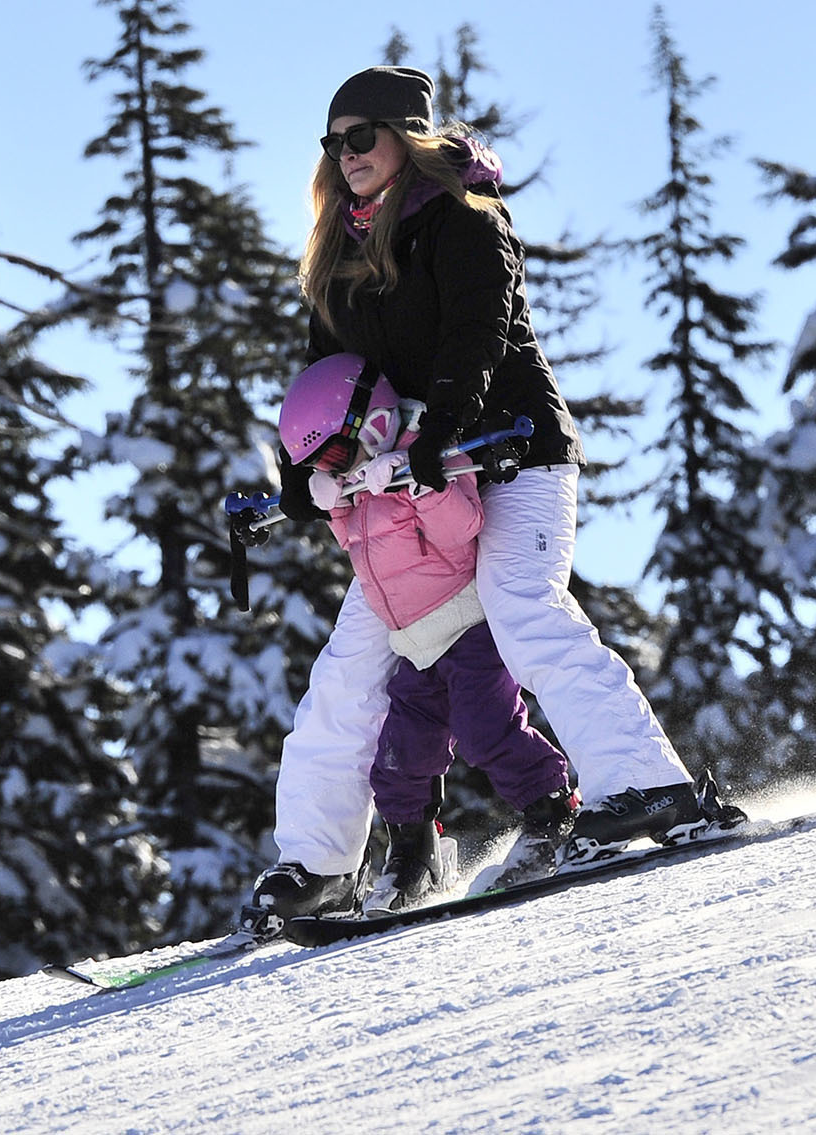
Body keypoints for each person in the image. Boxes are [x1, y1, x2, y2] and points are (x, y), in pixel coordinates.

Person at [247, 65, 711, 924]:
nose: (346, 154)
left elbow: (480, 333)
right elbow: (326, 380)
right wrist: (304, 476)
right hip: (414, 494)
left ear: (406, 137)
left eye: (362, 136)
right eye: (333, 141)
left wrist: (440, 430)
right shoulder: (340, 255)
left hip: (512, 454)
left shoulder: (465, 219)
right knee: (349, 669)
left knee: (522, 606)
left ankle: (647, 785)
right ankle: (314, 864)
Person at [272, 352, 576, 916]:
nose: (333, 471)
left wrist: (416, 485)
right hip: (413, 645)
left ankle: (554, 812)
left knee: (488, 732)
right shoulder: (357, 484)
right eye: (318, 465)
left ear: (377, 420)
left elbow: (464, 528)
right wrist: (333, 501)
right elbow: (367, 553)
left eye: (335, 454)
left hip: (468, 627)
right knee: (397, 760)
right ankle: (415, 855)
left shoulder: (427, 457)